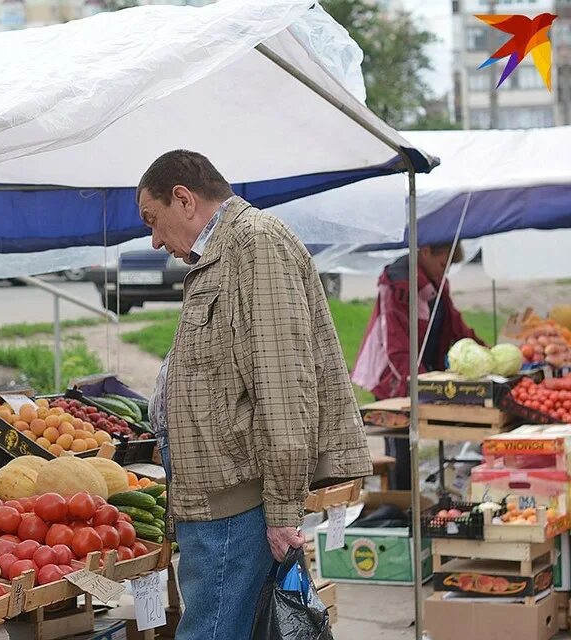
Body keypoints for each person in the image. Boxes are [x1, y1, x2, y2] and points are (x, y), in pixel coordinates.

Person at [141, 149, 372, 638]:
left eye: (153, 219)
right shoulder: (226, 253)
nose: (156, 239)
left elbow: (285, 385)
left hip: (237, 509)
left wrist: (284, 509)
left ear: (183, 199)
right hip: (218, 505)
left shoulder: (255, 244)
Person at [352, 243, 482, 490]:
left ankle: (411, 503)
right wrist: (420, 384)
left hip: (419, 373)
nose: (445, 273)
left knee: (413, 443)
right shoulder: (397, 285)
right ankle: (399, 507)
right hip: (392, 378)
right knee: (400, 450)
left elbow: (455, 324)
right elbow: (397, 345)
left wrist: (482, 349)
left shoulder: (437, 282)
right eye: (443, 265)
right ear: (425, 252)